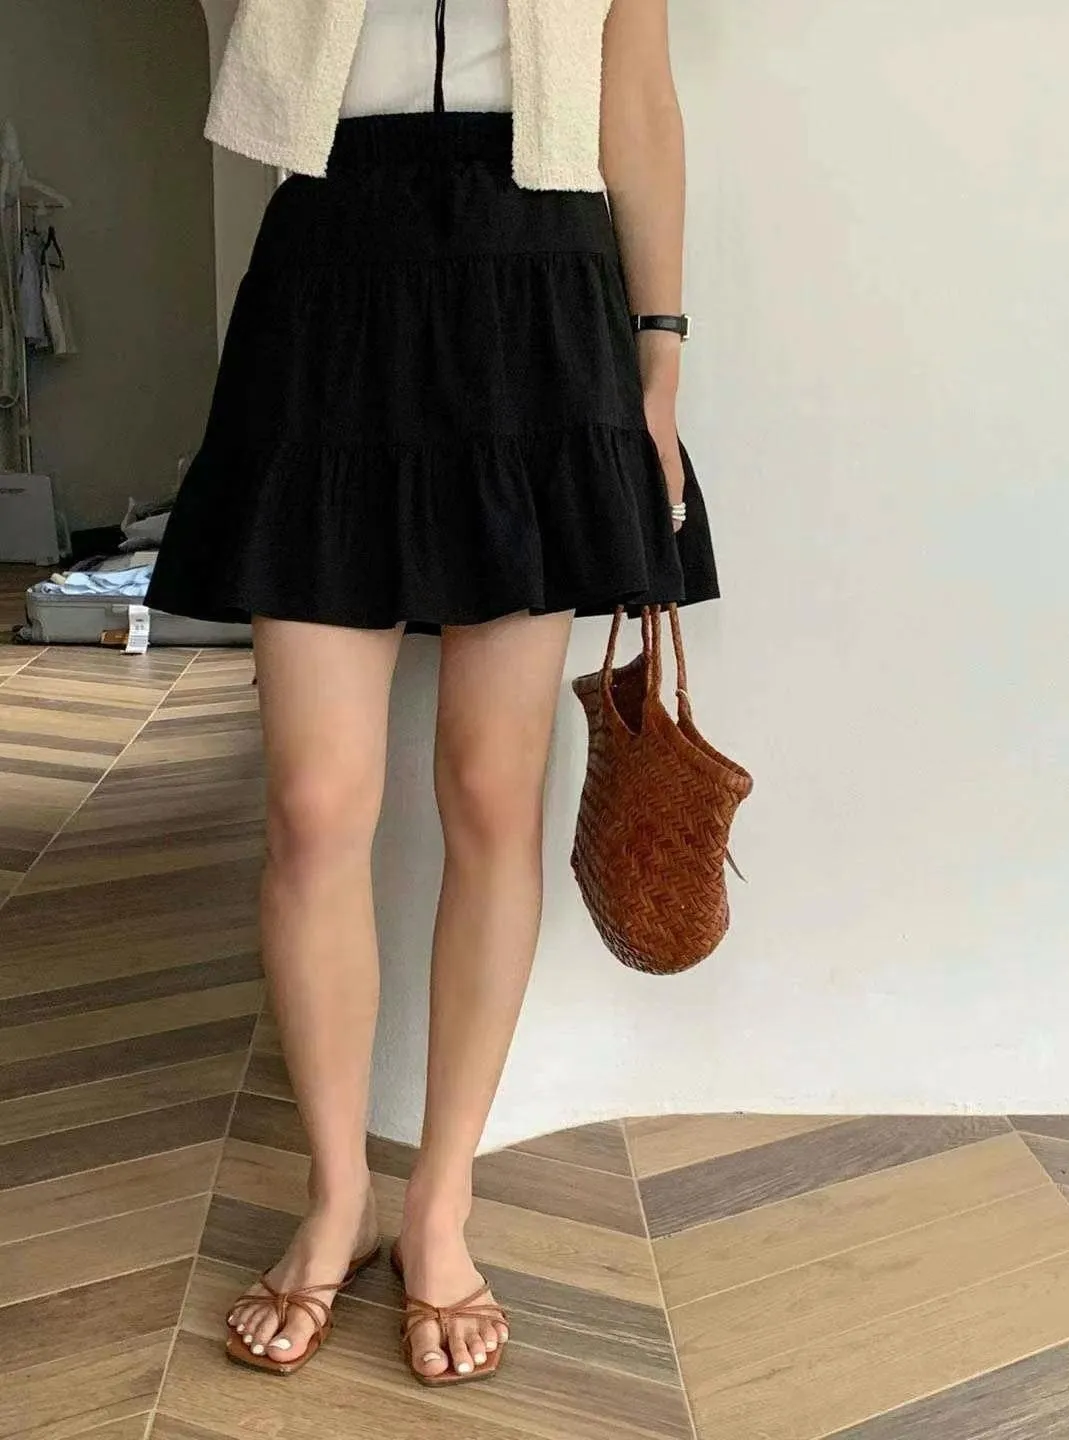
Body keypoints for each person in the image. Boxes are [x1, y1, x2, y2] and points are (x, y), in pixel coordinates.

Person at [148, 0, 718, 1388]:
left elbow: (637, 100)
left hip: (541, 285)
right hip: (330, 273)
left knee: (489, 793)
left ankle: (442, 1205)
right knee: (313, 804)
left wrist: (658, 359)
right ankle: (336, 1195)